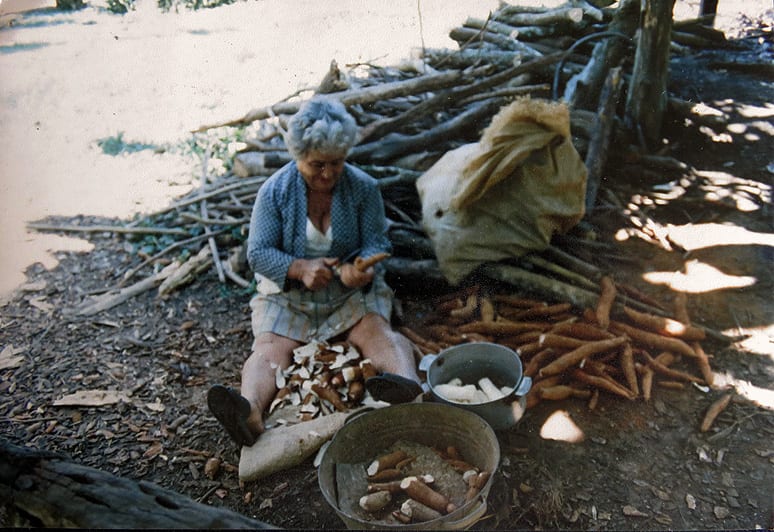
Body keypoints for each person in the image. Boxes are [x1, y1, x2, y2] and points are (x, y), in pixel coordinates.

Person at [207, 96, 422, 447]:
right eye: (316, 164)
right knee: (269, 349)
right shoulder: (274, 192)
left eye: (336, 163)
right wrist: (298, 267)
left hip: (347, 294)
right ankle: (250, 412)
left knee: (376, 332)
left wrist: (360, 270)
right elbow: (258, 254)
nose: (327, 174)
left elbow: (377, 242)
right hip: (290, 297)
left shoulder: (363, 188)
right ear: (297, 157)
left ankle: (406, 386)